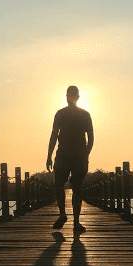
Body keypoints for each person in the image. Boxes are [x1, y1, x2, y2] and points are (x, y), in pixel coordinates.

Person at [46, 86, 94, 232]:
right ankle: (72, 220)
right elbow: (91, 138)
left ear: (72, 97)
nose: (72, 98)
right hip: (70, 155)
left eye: (72, 95)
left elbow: (91, 137)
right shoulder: (78, 114)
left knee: (63, 185)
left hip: (69, 155)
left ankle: (68, 217)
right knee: (71, 187)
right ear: (69, 97)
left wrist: (49, 156)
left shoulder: (65, 114)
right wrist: (86, 154)